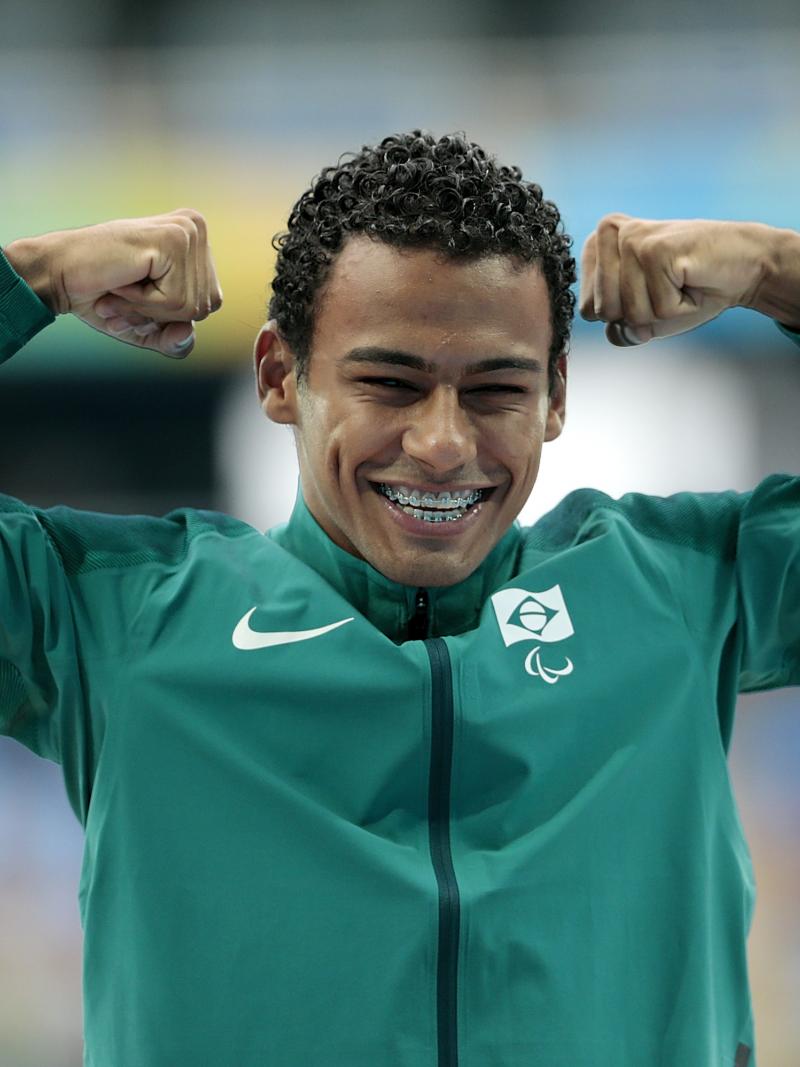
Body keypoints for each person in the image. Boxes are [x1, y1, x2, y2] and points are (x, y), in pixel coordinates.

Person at [0, 131, 798, 1067]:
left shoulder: (676, 589)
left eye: (496, 388)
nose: (441, 443)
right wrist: (34, 275)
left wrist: (777, 269)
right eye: (390, 382)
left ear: (555, 399)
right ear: (277, 376)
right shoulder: (117, 619)